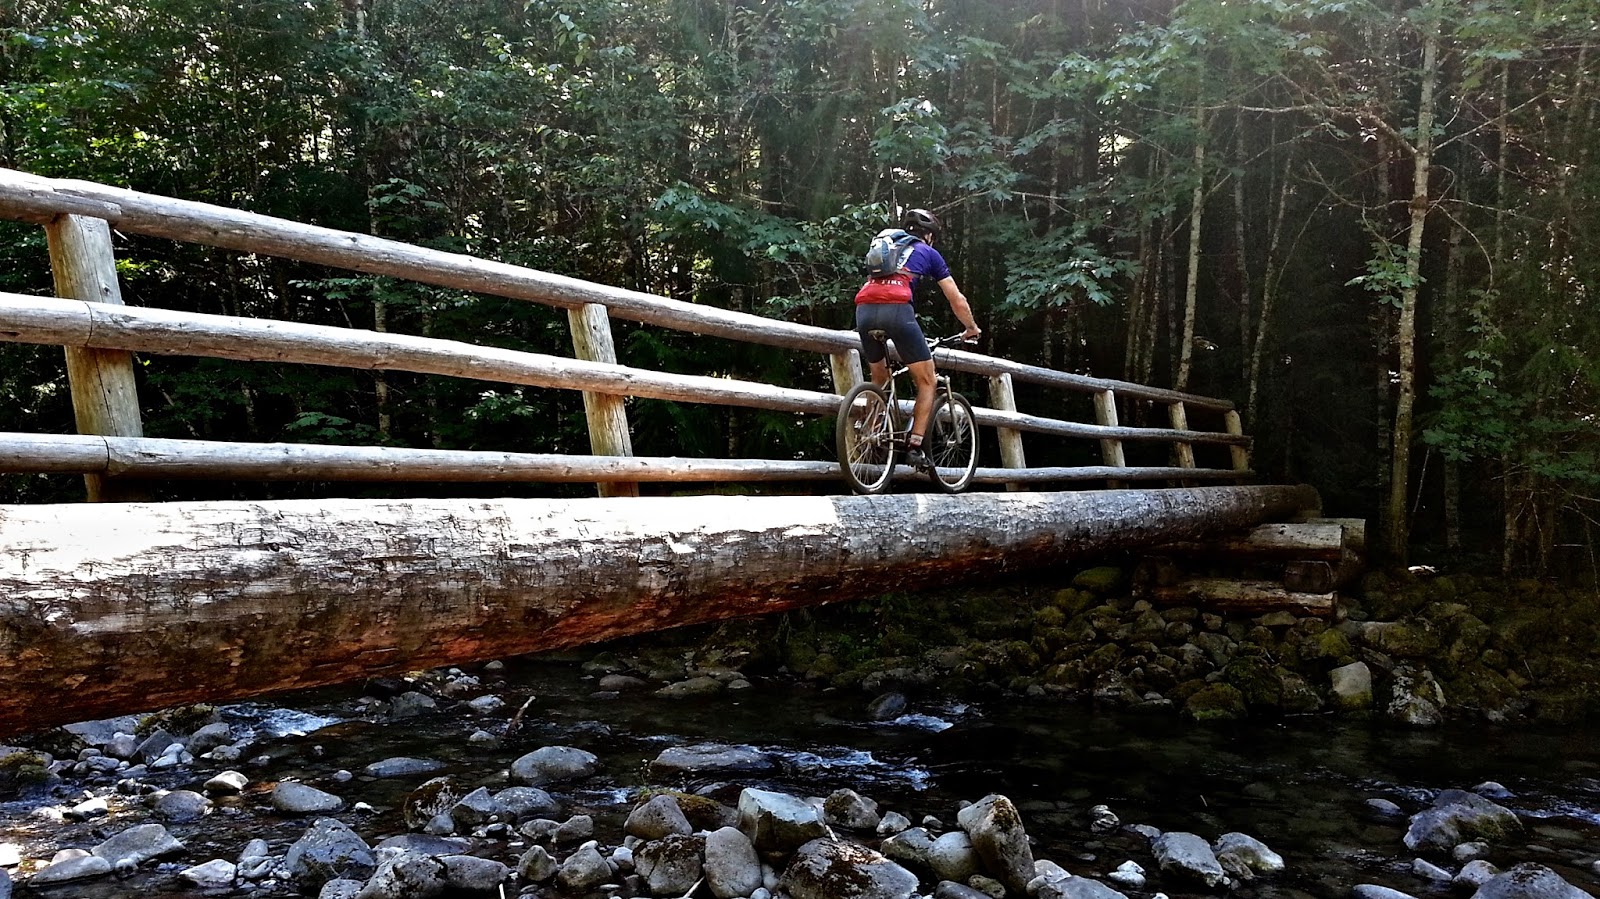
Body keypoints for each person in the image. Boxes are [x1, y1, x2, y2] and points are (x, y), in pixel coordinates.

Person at [853, 207, 982, 467]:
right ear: (930, 235)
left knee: (879, 377)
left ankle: (871, 431)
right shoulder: (928, 252)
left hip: (863, 310)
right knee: (927, 380)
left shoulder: (889, 248)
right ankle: (915, 447)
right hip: (897, 311)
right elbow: (956, 299)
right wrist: (971, 327)